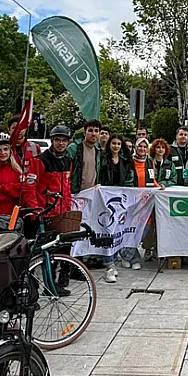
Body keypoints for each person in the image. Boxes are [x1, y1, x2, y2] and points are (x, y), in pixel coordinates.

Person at [99, 134, 137, 280]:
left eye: (118, 144)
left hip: (120, 200)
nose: (116, 146)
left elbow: (129, 180)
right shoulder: (103, 160)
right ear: (109, 145)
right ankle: (108, 264)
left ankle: (113, 261)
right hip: (105, 199)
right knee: (107, 231)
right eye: (113, 143)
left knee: (118, 232)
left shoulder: (125, 162)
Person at [37, 124, 74, 225]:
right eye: (57, 140)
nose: (61, 143)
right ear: (52, 141)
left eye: (64, 140)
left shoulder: (68, 161)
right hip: (46, 212)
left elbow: (67, 187)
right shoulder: (41, 160)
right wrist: (35, 210)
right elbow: (32, 188)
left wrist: (68, 208)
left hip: (62, 212)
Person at [7, 114, 45, 211]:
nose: (18, 131)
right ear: (9, 130)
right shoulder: (4, 149)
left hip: (31, 194)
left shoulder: (34, 147)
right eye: (14, 128)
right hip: (11, 194)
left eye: (21, 128)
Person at [68, 119, 104, 194]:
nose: (93, 134)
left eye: (96, 131)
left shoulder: (98, 152)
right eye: (90, 130)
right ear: (84, 133)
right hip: (75, 194)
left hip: (92, 194)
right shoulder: (74, 148)